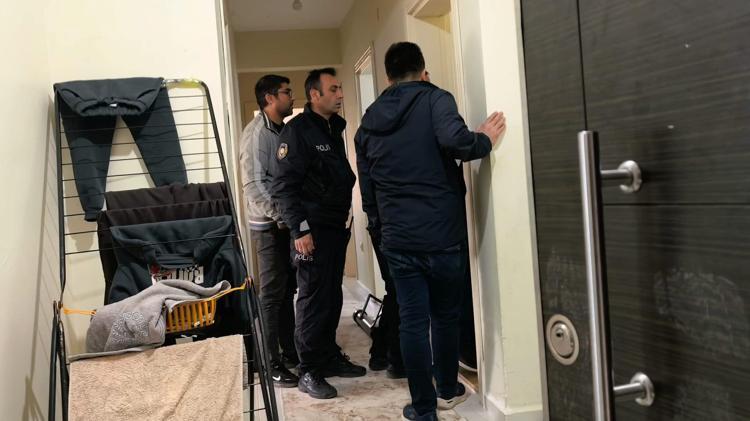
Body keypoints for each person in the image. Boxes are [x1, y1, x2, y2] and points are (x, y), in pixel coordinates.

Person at [354, 42, 506, 421]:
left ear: (388, 78)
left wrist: (380, 229)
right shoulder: (436, 99)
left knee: (412, 322)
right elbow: (458, 142)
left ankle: (423, 409)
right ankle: (448, 389)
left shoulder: (369, 119)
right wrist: (484, 138)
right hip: (442, 234)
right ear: (423, 71)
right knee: (445, 316)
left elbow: (368, 188)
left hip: (398, 238)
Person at [271, 68, 366, 400]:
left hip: (334, 228)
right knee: (312, 299)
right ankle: (308, 370)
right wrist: (300, 230)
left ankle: (327, 356)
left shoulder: (332, 127)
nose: (340, 94)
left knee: (331, 296)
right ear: (315, 95)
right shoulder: (298, 131)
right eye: (334, 89)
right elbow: (283, 187)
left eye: (340, 88)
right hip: (311, 231)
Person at [238, 74, 300, 388]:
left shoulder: (281, 130)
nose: (292, 97)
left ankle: (289, 353)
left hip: (282, 224)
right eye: (287, 92)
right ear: (270, 98)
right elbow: (253, 186)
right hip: (268, 227)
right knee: (272, 295)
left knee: (286, 291)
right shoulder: (256, 133)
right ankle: (269, 364)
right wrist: (282, 216)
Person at [367, 225, 405, 379]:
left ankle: (383, 351)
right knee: (397, 289)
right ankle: (394, 357)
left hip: (389, 229)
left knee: (395, 289)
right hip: (388, 230)